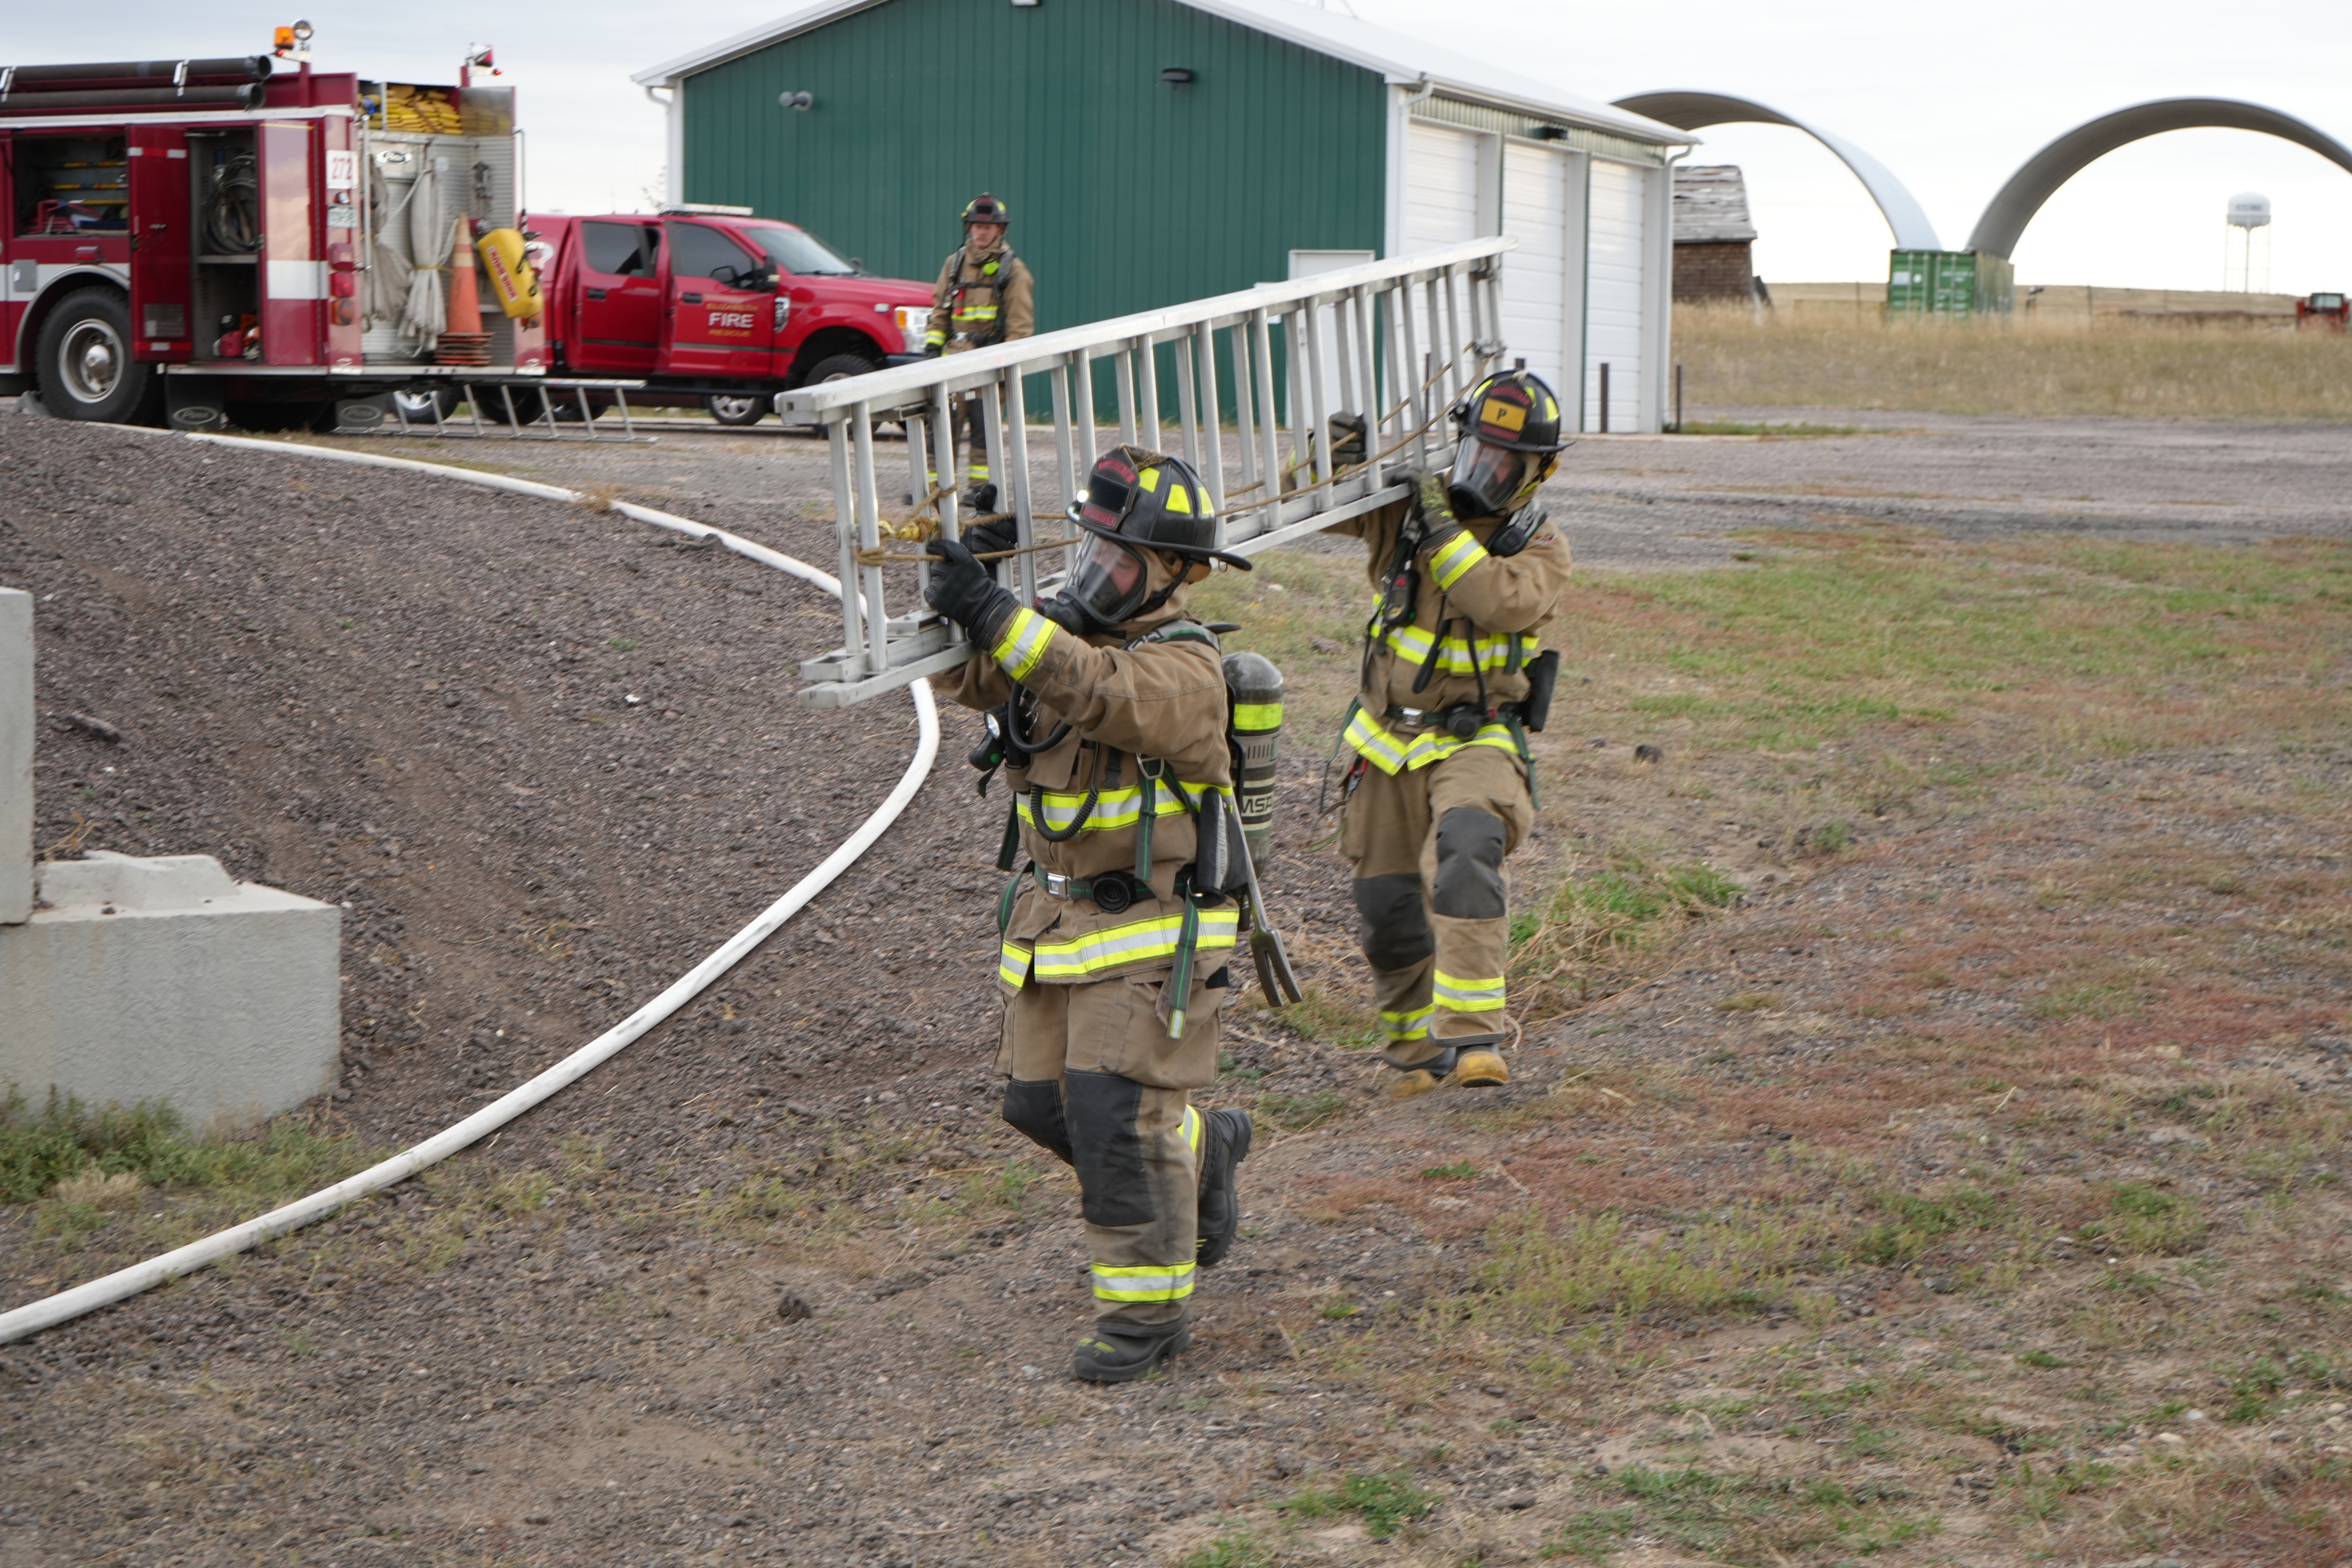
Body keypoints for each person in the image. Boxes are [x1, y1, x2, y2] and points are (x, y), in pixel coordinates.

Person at [922, 447, 1255, 1383]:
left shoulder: (1184, 671)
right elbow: (979, 681)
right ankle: (1202, 1145)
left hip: (1150, 931)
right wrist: (971, 587)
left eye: (1118, 563)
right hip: (1057, 925)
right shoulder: (1063, 640)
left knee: (1111, 1117)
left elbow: (1100, 696)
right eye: (1088, 554)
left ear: (1175, 575)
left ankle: (1148, 1318)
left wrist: (1003, 616)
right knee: (1040, 1107)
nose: (1093, 577)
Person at [1323, 368, 1572, 1095]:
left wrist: (1436, 524)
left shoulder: (1542, 545)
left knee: (1467, 850)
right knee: (1386, 906)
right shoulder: (1413, 507)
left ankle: (1474, 1042)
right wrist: (1338, 455)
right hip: (1386, 742)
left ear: (1536, 472)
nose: (1482, 472)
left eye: (1504, 463)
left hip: (1478, 739)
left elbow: (1497, 600)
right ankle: (1412, 1054)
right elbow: (1322, 507)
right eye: (1476, 452)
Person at [924, 192, 1035, 510]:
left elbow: (1020, 329)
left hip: (987, 363)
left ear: (1001, 230)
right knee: (940, 427)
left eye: (989, 227)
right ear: (968, 227)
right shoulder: (954, 264)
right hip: (951, 362)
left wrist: (1005, 370)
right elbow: (940, 311)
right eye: (976, 225)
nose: (981, 232)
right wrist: (932, 346)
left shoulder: (1013, 271)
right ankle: (934, 488)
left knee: (982, 428)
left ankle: (979, 489)